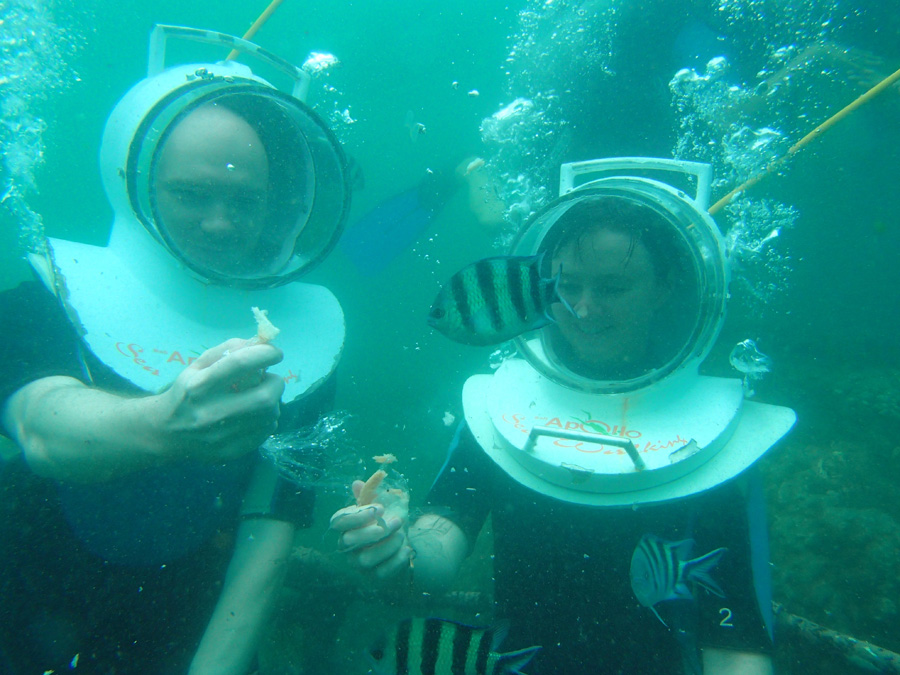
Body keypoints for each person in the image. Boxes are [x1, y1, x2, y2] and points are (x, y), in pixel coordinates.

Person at [331, 173, 795, 674]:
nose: (583, 308)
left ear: (665, 288)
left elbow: (738, 647)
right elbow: (442, 536)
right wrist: (398, 550)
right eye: (567, 286)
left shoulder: (711, 430)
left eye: (613, 287)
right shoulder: (503, 405)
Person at [0, 26, 351, 675]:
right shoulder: (49, 294)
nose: (220, 223)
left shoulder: (305, 335)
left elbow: (266, 543)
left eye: (245, 200)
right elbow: (40, 426)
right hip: (24, 602)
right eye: (191, 195)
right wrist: (163, 425)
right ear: (136, 182)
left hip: (185, 622)